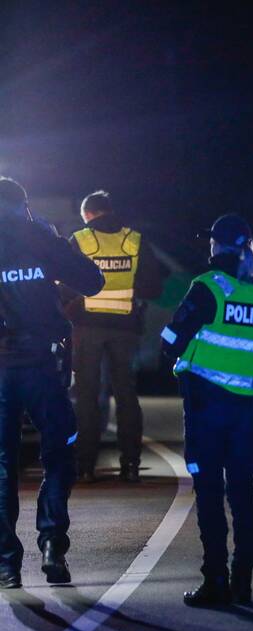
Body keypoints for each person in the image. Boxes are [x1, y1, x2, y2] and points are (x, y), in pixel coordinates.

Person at [160, 214, 253, 607]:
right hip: (249, 411)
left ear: (216, 245)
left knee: (210, 493)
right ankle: (242, 582)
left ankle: (215, 580)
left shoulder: (208, 288)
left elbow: (169, 339)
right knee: (242, 494)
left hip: (206, 407)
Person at [0, 177, 104, 588]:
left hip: (1, 367)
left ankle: (7, 566)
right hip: (43, 363)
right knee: (59, 452)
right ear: (23, 206)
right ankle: (52, 546)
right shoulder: (38, 235)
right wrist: (50, 240)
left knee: (3, 464)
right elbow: (92, 281)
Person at [69, 190, 162, 484]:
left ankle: (85, 466)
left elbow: (65, 283)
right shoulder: (135, 240)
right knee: (126, 396)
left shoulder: (81, 239)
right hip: (125, 328)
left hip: (87, 328)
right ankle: (131, 465)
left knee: (86, 396)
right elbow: (153, 288)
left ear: (88, 215)